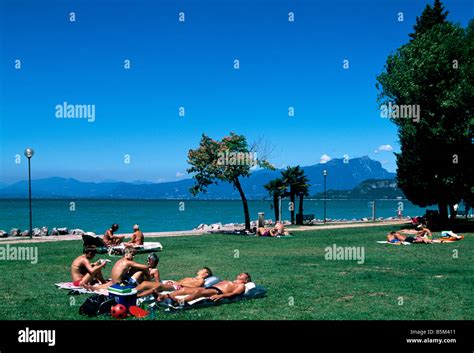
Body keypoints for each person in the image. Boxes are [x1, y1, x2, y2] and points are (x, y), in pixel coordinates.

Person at [159, 273, 251, 304]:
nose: (240, 274)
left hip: (217, 291)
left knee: (198, 292)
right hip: (210, 288)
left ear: (246, 280)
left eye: (243, 275)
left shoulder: (241, 286)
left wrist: (221, 296)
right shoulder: (233, 281)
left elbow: (234, 294)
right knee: (183, 290)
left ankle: (180, 301)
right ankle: (165, 296)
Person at [136, 267, 212, 298]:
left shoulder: (201, 280)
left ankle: (133, 295)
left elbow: (195, 287)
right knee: (146, 282)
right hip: (174, 283)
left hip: (177, 287)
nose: (200, 270)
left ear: (206, 274)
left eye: (202, 270)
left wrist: (179, 284)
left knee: (146, 284)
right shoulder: (193, 278)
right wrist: (173, 282)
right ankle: (133, 291)